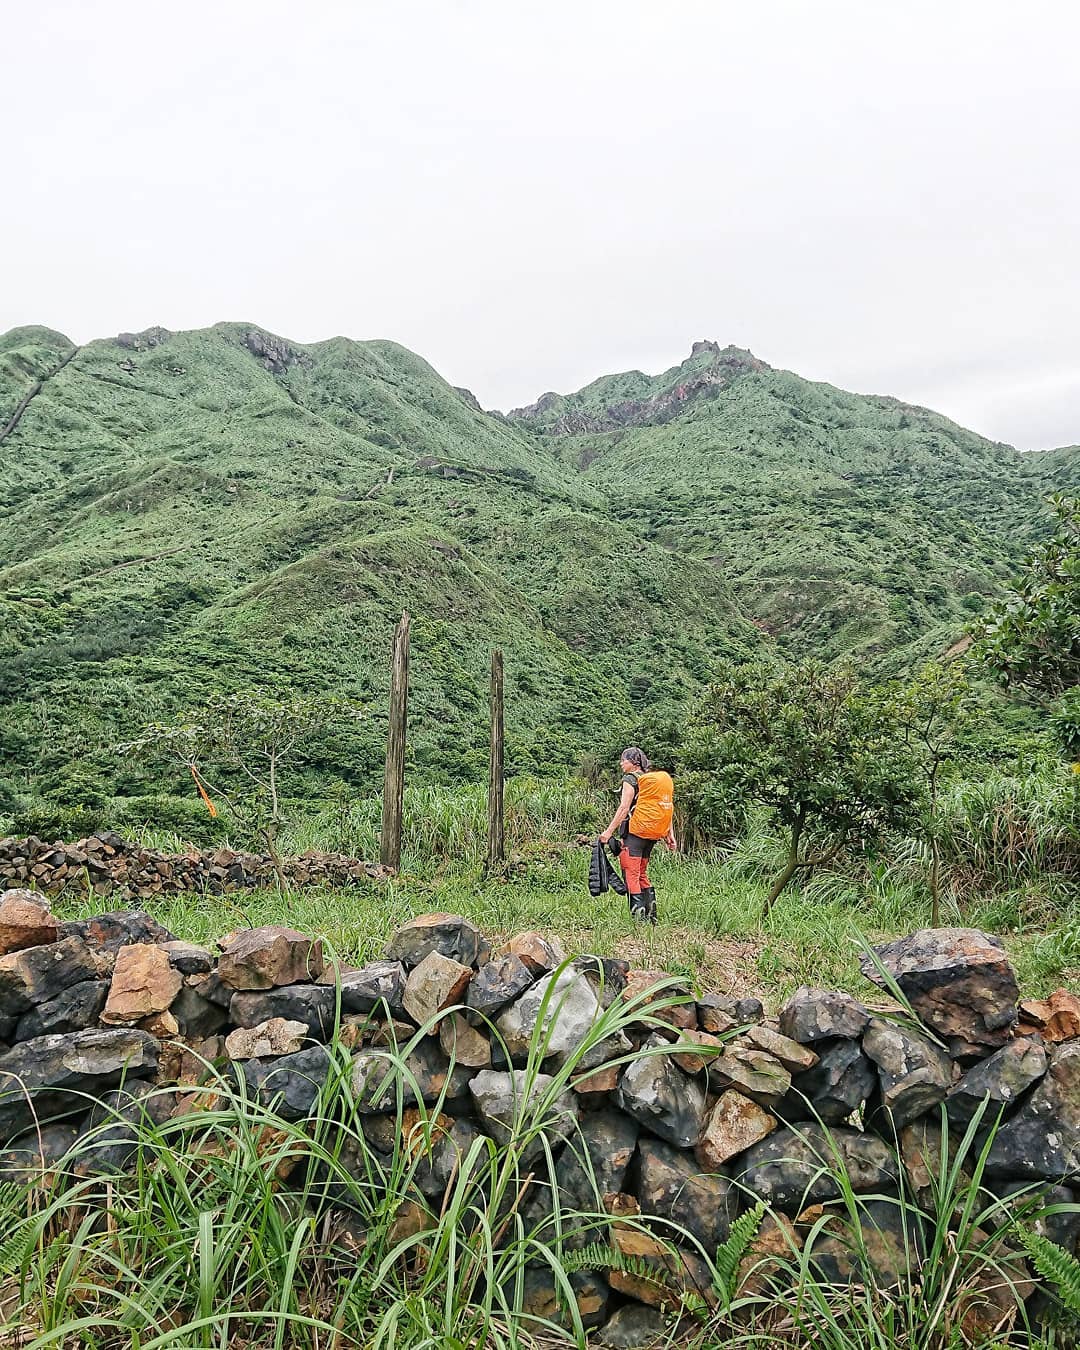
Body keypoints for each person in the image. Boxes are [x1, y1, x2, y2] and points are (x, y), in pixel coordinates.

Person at [598, 746, 677, 923]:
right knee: (641, 873)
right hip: (652, 835)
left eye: (623, 760)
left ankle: (639, 921)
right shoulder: (650, 781)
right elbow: (666, 807)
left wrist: (608, 832)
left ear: (633, 762)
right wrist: (669, 834)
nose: (621, 764)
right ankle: (652, 917)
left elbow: (624, 807)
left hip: (635, 834)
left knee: (631, 874)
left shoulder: (630, 779)